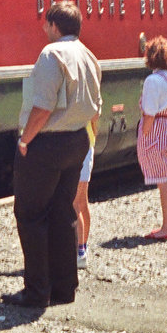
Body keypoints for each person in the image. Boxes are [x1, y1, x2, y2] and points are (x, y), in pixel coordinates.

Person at [6, 0, 102, 308]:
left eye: (47, 24)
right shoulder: (89, 55)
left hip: (47, 144)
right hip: (77, 140)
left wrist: (25, 140)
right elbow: (96, 106)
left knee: (31, 215)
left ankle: (37, 292)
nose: (44, 29)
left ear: (55, 26)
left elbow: (44, 106)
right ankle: (64, 289)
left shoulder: (52, 54)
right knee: (64, 212)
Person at [136, 36, 167, 241]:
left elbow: (149, 113)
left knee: (163, 182)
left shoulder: (153, 81)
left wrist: (144, 135)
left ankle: (166, 229)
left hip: (156, 131)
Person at [73, 115, 98, 269]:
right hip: (88, 142)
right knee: (82, 202)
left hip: (78, 145)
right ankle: (83, 247)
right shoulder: (93, 91)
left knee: (74, 203)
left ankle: (79, 252)